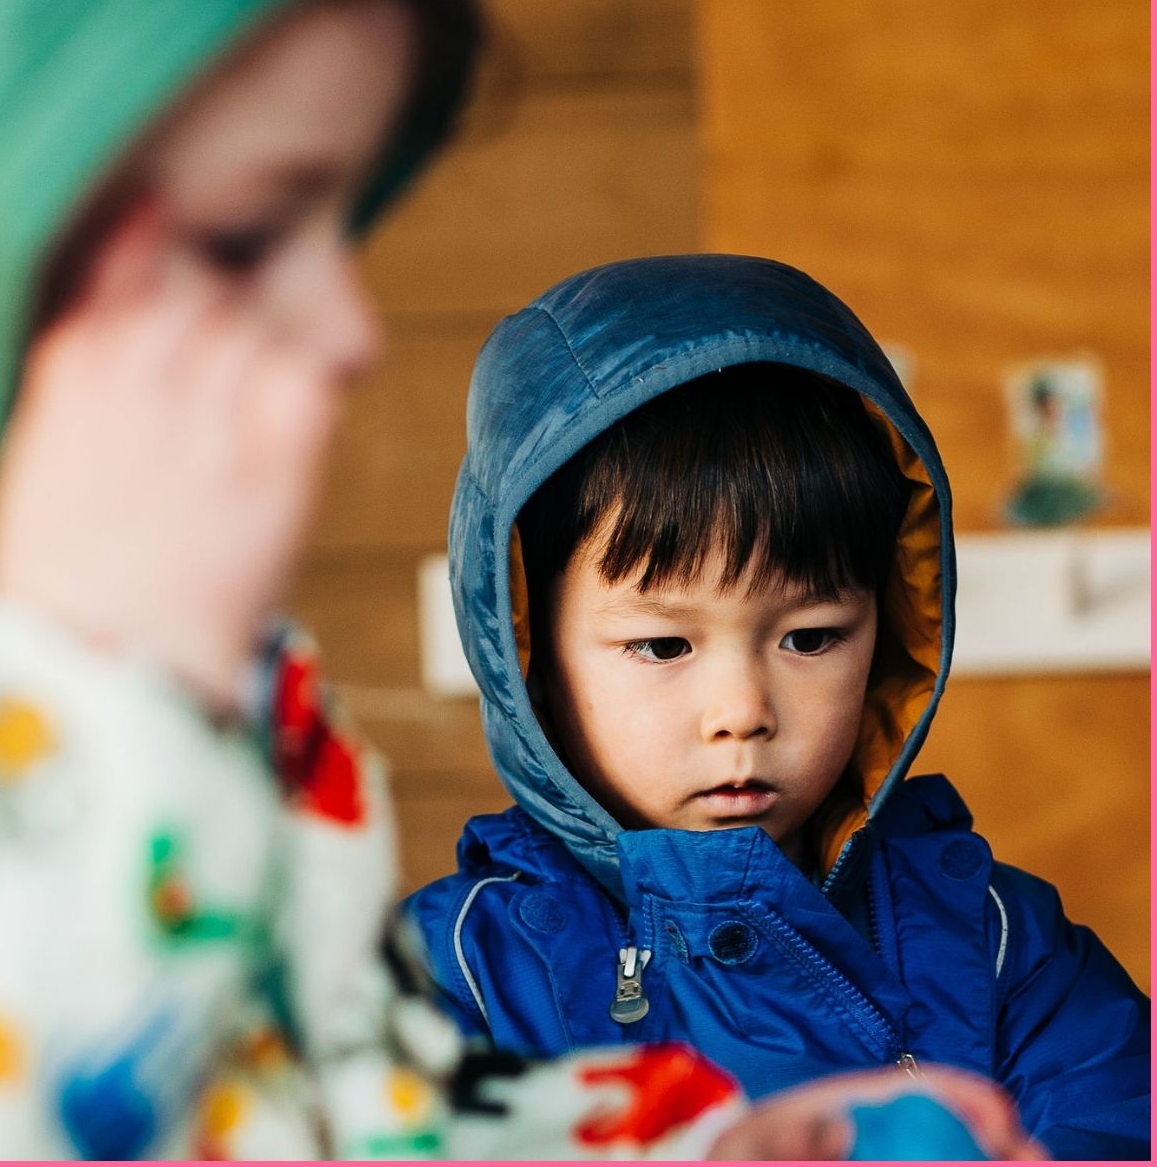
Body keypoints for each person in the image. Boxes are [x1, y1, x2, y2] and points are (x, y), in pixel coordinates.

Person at [0, 0, 1040, 1161]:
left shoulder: (273, 715)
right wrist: (82, 708)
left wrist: (698, 1144)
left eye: (345, 228)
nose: (352, 327)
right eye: (241, 239)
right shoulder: (64, 717)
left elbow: (368, 1111)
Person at [404, 253, 1151, 1160]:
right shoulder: (457, 980)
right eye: (664, 646)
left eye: (810, 637)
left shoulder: (1003, 949)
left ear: (893, 627)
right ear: (530, 654)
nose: (742, 712)